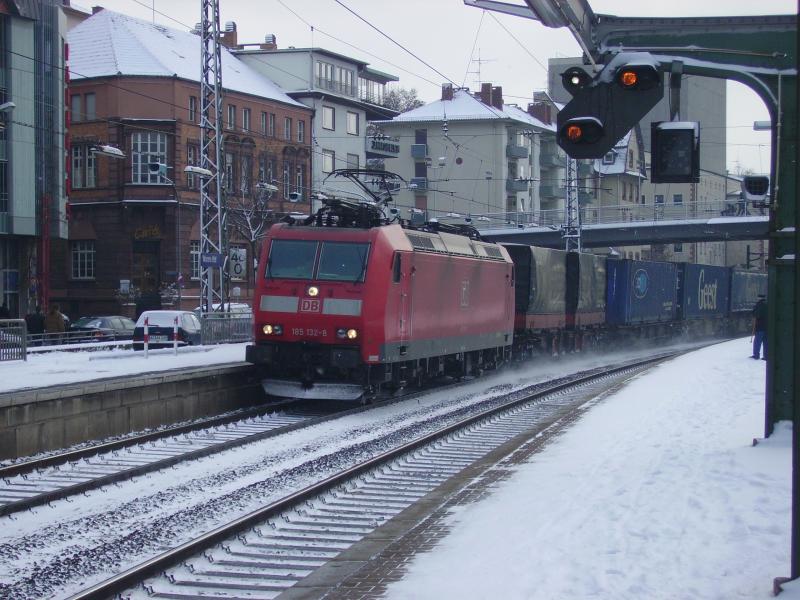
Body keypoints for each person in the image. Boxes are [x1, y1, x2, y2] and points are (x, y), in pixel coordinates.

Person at [751, 294, 767, 360]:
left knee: (757, 341)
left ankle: (756, 355)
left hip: (760, 326)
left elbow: (756, 315)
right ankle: (766, 356)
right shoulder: (768, 304)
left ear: (759, 298)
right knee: (766, 342)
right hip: (768, 327)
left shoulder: (759, 305)